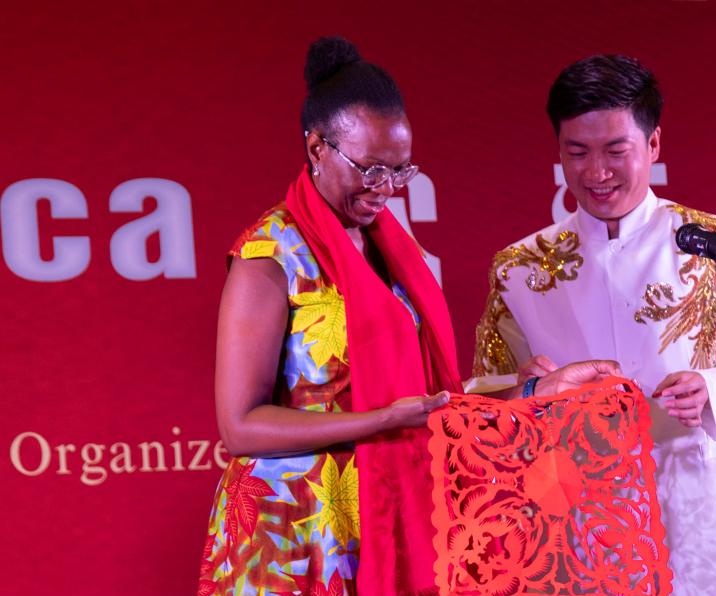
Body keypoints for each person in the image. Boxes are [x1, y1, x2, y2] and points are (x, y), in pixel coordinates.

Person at [197, 37, 619, 596]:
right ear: (317, 147)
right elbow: (241, 426)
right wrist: (380, 420)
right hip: (294, 538)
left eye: (400, 171)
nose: (386, 189)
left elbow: (430, 403)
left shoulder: (397, 253)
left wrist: (535, 391)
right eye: (370, 168)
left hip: (387, 519)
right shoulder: (268, 256)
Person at [472, 54, 716, 596]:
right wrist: (526, 390)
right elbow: (487, 398)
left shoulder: (712, 244)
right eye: (577, 153)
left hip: (699, 501)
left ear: (653, 144)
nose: (596, 173)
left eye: (616, 151)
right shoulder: (521, 269)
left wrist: (711, 390)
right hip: (580, 515)